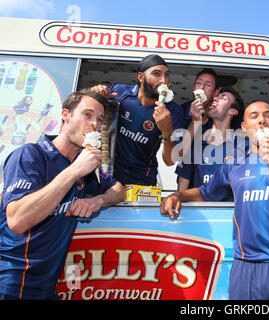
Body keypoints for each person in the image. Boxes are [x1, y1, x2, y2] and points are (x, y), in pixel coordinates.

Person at [161, 101, 269, 299]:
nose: (261, 120)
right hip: (247, 268)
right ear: (243, 128)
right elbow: (205, 192)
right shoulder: (234, 166)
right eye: (254, 116)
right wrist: (179, 194)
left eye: (268, 115)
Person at [0, 89, 125, 300]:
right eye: (87, 114)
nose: (94, 124)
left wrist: (98, 200)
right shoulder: (30, 155)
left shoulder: (87, 169)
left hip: (46, 288)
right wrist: (74, 170)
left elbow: (120, 190)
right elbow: (18, 220)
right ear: (65, 115)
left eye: (100, 119)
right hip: (11, 283)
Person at [91, 54, 184, 186]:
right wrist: (95, 94)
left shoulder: (173, 111)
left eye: (167, 75)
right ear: (141, 77)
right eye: (156, 74)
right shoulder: (121, 93)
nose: (163, 81)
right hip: (107, 173)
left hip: (141, 180)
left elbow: (169, 161)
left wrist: (167, 131)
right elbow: (90, 113)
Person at [176, 87, 244, 196]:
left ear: (233, 111)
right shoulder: (194, 145)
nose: (215, 99)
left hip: (229, 211)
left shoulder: (242, 148)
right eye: (215, 97)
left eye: (223, 98)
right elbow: (181, 192)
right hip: (201, 211)